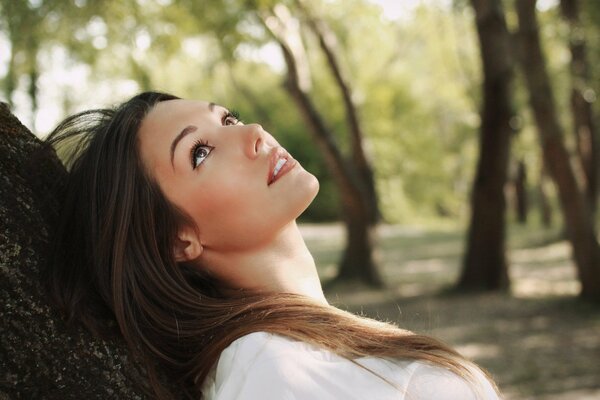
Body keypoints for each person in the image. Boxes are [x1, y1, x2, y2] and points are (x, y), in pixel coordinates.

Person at [45, 91, 501, 399]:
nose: (254, 132)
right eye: (199, 151)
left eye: (228, 118)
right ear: (177, 240)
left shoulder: (296, 347)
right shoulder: (267, 367)